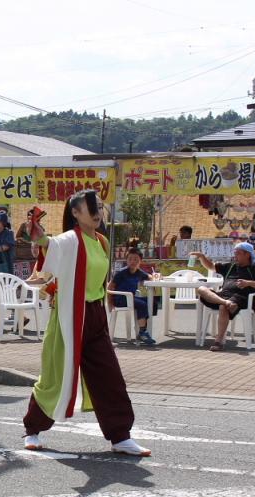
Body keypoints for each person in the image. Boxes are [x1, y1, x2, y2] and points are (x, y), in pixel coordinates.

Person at [24, 189, 151, 456]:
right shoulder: (70, 239)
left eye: (99, 207)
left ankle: (120, 436)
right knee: (55, 377)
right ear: (75, 213)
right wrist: (40, 236)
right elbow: (51, 245)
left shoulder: (102, 242)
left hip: (95, 315)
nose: (97, 212)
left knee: (109, 376)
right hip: (70, 316)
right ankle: (32, 429)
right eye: (90, 207)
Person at [190, 243, 255, 351]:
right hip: (224, 297)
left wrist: (248, 283)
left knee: (223, 307)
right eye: (235, 253)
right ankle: (226, 302)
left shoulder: (254, 268)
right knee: (201, 289)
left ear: (247, 255)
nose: (235, 256)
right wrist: (202, 257)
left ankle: (218, 342)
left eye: (238, 254)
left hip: (241, 297)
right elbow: (211, 266)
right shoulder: (231, 266)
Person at [107, 249, 159, 345]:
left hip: (131, 298)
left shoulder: (139, 272)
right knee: (142, 304)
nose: (133, 262)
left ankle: (142, 327)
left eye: (136, 259)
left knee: (151, 301)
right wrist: (110, 303)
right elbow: (110, 287)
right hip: (121, 299)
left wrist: (152, 277)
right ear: (126, 260)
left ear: (140, 261)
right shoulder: (121, 273)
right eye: (130, 259)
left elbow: (148, 276)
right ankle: (142, 332)